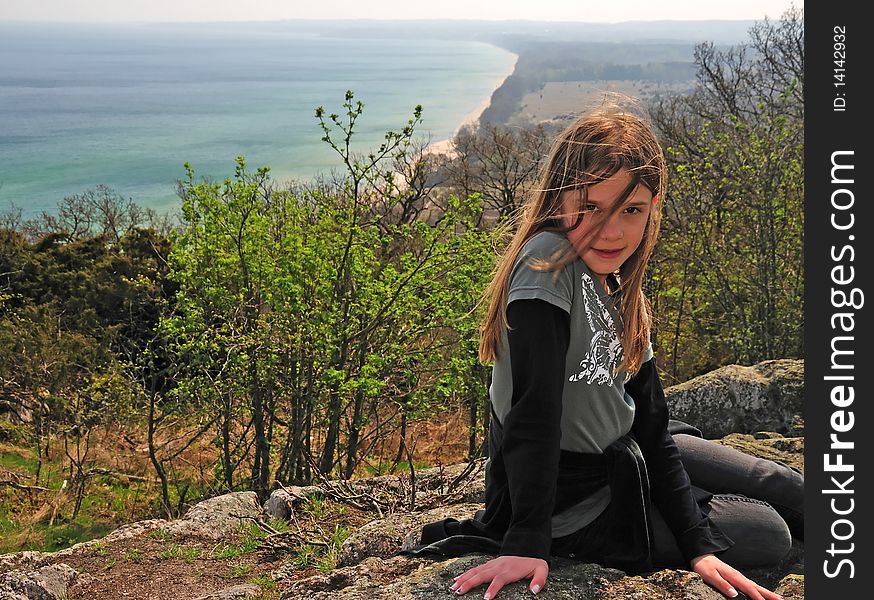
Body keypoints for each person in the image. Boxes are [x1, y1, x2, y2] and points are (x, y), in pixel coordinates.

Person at [400, 102, 803, 600]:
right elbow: (534, 407)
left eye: (630, 210)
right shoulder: (546, 264)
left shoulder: (621, 286)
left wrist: (695, 542)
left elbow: (652, 422)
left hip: (628, 441)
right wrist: (528, 538)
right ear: (558, 200)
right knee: (766, 531)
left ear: (653, 208)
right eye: (590, 207)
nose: (611, 231)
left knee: (781, 482)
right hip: (577, 501)